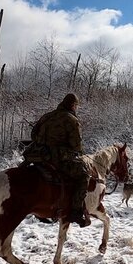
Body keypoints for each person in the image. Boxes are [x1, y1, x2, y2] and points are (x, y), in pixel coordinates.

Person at [28, 93, 91, 227]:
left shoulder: (47, 116)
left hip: (38, 157)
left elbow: (33, 135)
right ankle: (75, 211)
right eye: (76, 106)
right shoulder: (71, 120)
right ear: (73, 106)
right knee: (84, 175)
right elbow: (76, 146)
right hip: (58, 159)